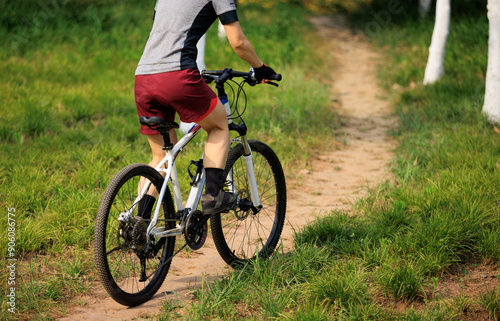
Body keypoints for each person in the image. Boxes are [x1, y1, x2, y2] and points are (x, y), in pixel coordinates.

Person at [134, 0, 279, 215]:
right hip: (178, 75)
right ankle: (213, 195)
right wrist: (261, 68)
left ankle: (140, 222)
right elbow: (238, 42)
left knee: (161, 156)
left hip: (143, 77)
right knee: (220, 125)